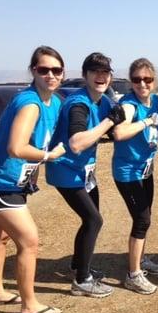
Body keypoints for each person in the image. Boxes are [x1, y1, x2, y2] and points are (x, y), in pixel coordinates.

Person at [0, 46, 67, 313]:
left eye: (56, 70)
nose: (50, 75)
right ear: (33, 71)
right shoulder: (29, 103)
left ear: (63, 73)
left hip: (12, 182)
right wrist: (49, 156)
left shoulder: (55, 102)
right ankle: (29, 305)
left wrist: (33, 171)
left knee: (0, 237)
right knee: (29, 241)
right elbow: (16, 147)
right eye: (43, 70)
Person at [46, 52, 125, 298]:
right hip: (66, 169)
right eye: (95, 72)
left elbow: (120, 125)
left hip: (84, 172)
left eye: (105, 72)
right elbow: (77, 143)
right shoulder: (78, 103)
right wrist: (109, 123)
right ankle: (82, 280)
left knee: (91, 219)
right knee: (94, 220)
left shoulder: (104, 102)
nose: (100, 76)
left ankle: (79, 265)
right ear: (85, 75)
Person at [111, 58, 158, 294]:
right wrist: (145, 121)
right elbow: (119, 132)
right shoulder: (129, 104)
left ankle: (141, 259)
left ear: (154, 81)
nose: (142, 84)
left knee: (146, 215)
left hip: (146, 170)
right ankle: (133, 275)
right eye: (136, 79)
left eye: (147, 79)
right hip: (128, 172)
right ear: (131, 82)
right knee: (142, 220)